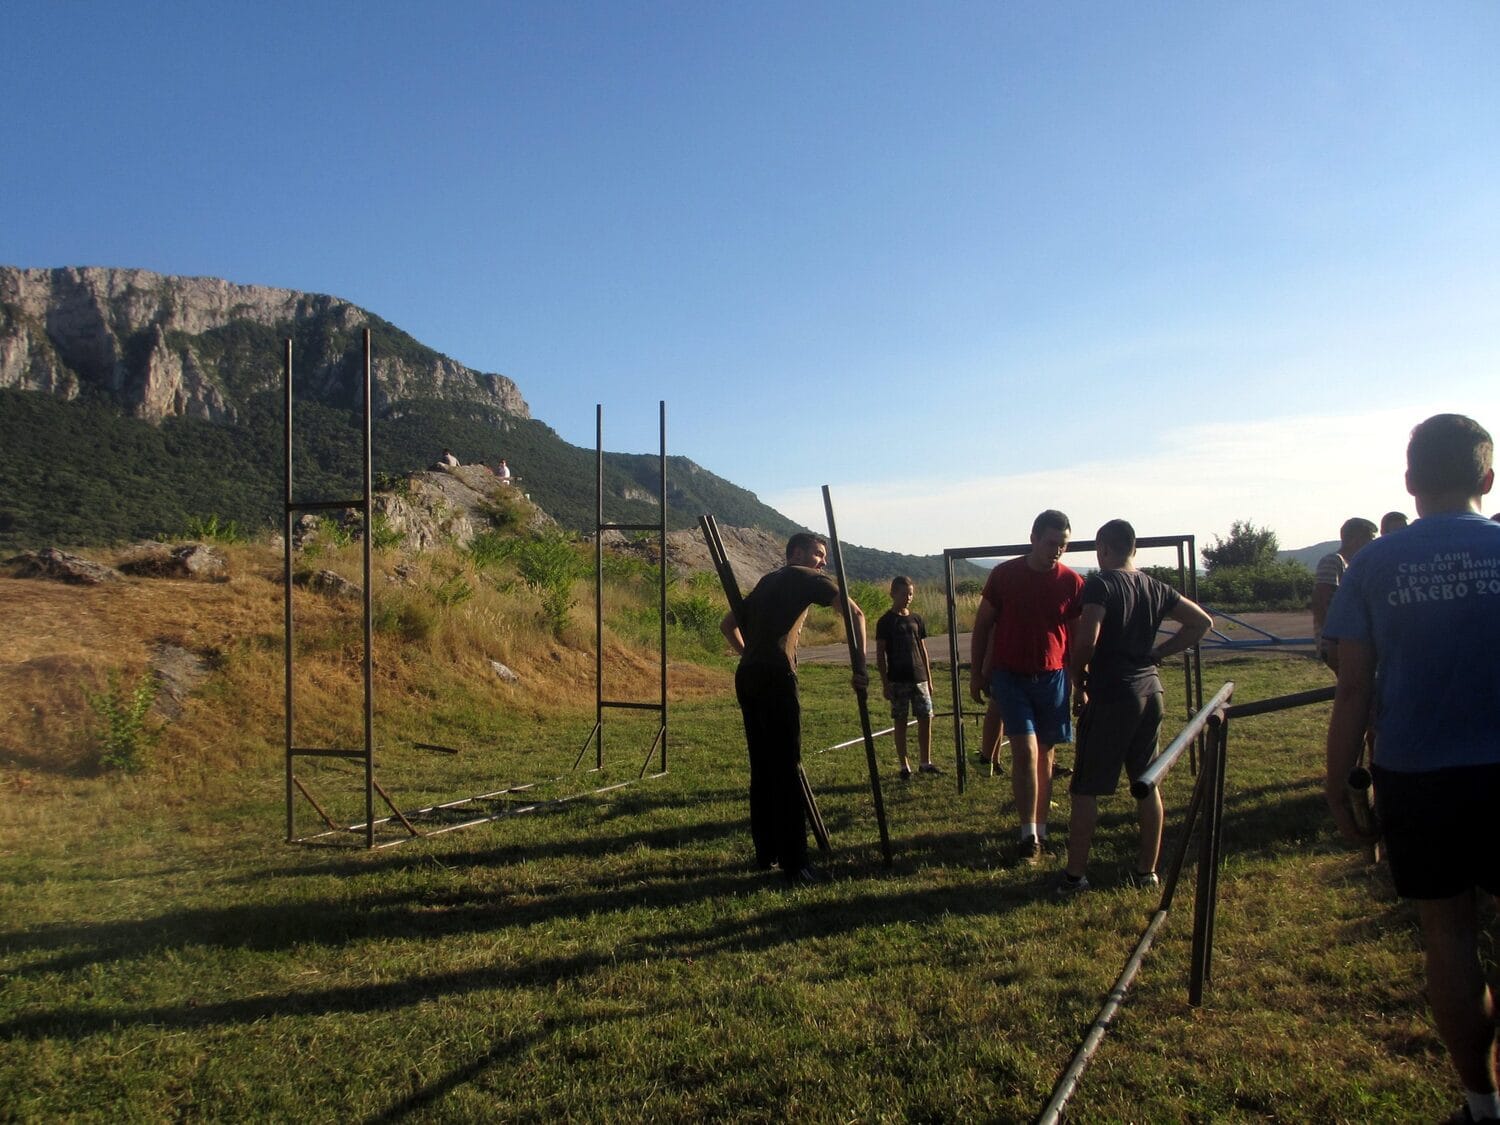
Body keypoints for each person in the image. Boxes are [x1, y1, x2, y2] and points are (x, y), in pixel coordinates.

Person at [1323, 413, 1500, 1124]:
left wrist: (1338, 782)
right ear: (1487, 479)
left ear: (1410, 483)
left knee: (1449, 935)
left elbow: (1353, 688)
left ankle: (1481, 1104)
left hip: (1418, 775)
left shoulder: (1372, 563)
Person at [1058, 520, 1212, 893]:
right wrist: (1157, 654)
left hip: (1113, 693)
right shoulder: (1155, 586)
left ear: (1103, 549)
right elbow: (1200, 622)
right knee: (1145, 783)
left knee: (1085, 790)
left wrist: (1079, 678)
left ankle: (1075, 876)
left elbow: (1088, 638)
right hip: (1151, 693)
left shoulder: (1101, 582)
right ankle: (1147, 872)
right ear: (1134, 549)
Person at [721, 532, 867, 885]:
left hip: (748, 676)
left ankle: (766, 852)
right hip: (774, 678)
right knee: (786, 767)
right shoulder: (805, 576)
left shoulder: (767, 580)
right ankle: (796, 863)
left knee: (763, 766)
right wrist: (860, 669)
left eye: (823, 556)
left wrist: (751, 655)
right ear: (797, 553)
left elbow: (727, 625)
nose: (822, 562)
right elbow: (855, 613)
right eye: (818, 554)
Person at [968, 510, 1084, 863]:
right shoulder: (1005, 575)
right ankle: (1027, 834)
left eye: (1063, 545)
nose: (1057, 551)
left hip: (1053, 678)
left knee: (1047, 756)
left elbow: (1078, 636)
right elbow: (983, 625)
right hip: (1010, 676)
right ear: (1033, 538)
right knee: (1026, 751)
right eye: (1051, 543)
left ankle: (1041, 829)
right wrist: (977, 672)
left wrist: (1080, 683)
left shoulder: (1072, 582)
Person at [876, 576, 937, 780]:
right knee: (900, 721)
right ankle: (904, 765)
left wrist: (929, 679)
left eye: (910, 593)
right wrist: (885, 683)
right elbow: (880, 655)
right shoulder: (885, 621)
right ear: (893, 593)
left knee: (925, 718)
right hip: (897, 679)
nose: (908, 597)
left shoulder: (916, 619)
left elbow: (923, 649)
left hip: (919, 677)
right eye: (904, 593)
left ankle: (925, 762)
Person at [1311, 516, 1377, 668]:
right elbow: (1321, 600)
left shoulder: (1352, 565)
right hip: (1338, 644)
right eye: (1370, 538)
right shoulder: (1334, 561)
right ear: (1357, 539)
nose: (1372, 543)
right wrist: (1332, 640)